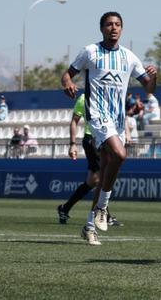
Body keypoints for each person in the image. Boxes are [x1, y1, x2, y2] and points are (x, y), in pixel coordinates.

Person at [61, 12, 157, 246]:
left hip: (117, 119)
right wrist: (68, 83)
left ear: (122, 29)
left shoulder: (129, 57)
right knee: (120, 155)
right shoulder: (90, 52)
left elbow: (149, 89)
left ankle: (89, 226)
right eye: (109, 24)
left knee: (104, 173)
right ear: (101, 28)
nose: (113, 28)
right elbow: (67, 75)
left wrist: (154, 76)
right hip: (98, 116)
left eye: (117, 24)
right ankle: (103, 207)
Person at [57, 94, 122, 228]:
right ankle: (104, 215)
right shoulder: (84, 98)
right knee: (100, 178)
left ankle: (65, 208)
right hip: (91, 139)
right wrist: (72, 143)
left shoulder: (106, 95)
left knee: (92, 181)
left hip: (104, 137)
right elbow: (74, 121)